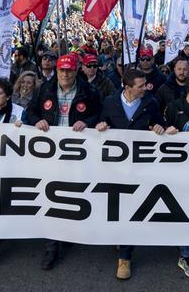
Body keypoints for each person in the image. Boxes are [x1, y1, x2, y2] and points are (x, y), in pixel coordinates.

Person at [23, 53, 101, 270]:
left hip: (77, 152)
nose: (65, 74)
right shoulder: (44, 89)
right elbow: (30, 111)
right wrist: (36, 120)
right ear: (56, 71)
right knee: (52, 192)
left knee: (73, 191)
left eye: (69, 70)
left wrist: (87, 122)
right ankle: (52, 242)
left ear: (76, 70)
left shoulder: (89, 91)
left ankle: (70, 230)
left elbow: (99, 114)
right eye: (61, 70)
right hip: (50, 152)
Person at [95, 68, 166, 280]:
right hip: (114, 167)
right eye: (141, 86)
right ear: (127, 88)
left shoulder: (150, 103)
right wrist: (100, 125)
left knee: (131, 208)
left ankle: (125, 257)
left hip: (139, 167)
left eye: (145, 84)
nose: (146, 88)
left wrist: (159, 128)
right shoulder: (109, 102)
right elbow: (100, 123)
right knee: (116, 206)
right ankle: (118, 235)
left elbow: (158, 122)